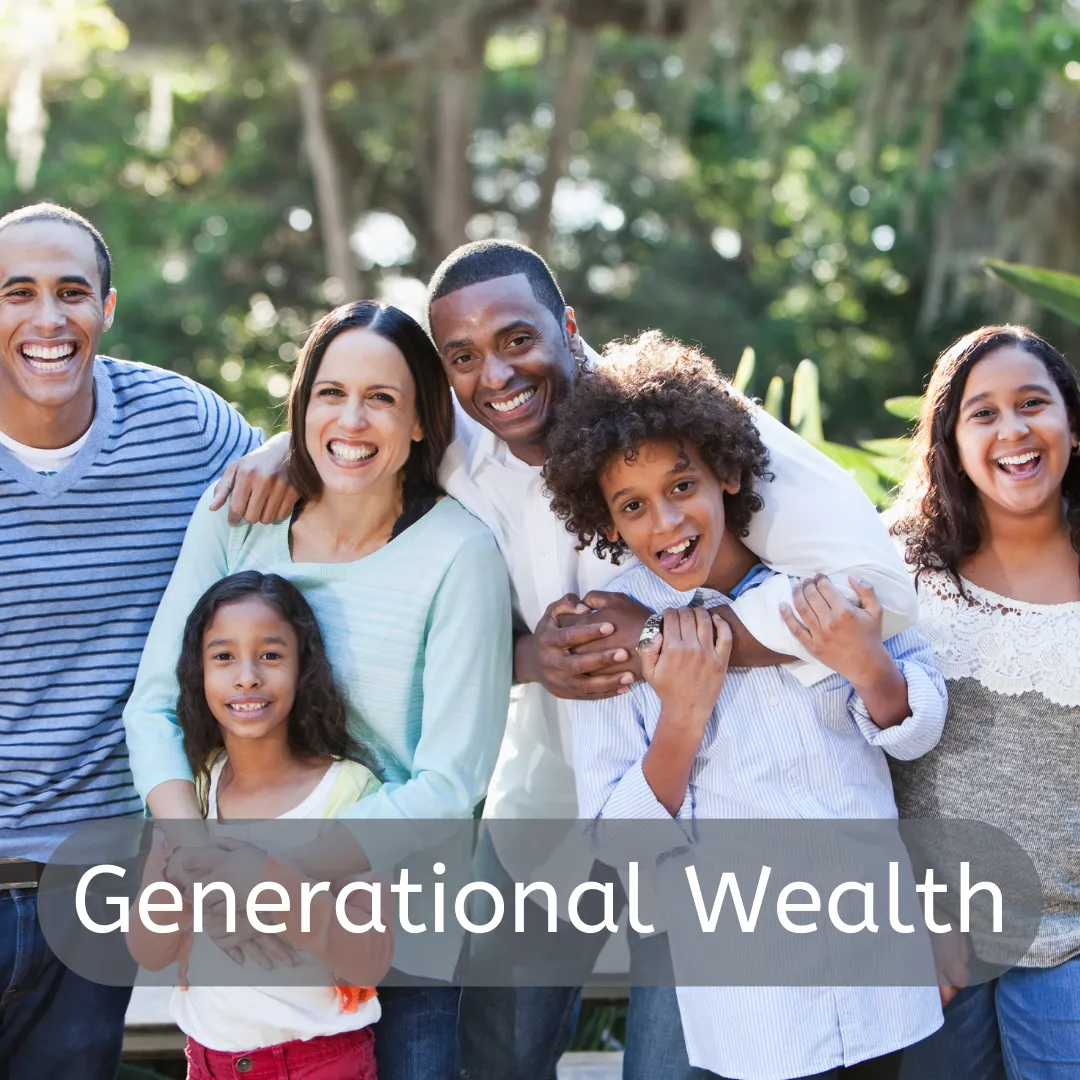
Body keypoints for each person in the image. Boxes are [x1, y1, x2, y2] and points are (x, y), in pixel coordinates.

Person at [426, 239, 923, 1080]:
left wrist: (667, 644)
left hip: (696, 817)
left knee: (672, 1066)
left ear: (569, 328)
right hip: (547, 801)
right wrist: (528, 657)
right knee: (494, 1057)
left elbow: (879, 588)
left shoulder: (678, 424)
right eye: (463, 357)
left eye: (518, 339)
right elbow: (346, 448)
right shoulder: (454, 454)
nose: (497, 375)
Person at [123, 299, 513, 1080]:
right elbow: (154, 705)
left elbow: (451, 780)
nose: (353, 420)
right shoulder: (238, 518)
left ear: (418, 423)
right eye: (331, 393)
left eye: (382, 398)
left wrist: (273, 874)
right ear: (302, 407)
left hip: (393, 936)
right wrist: (203, 862)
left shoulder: (459, 553)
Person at [543, 331, 947, 1080]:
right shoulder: (611, 628)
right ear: (606, 524)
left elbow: (916, 728)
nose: (665, 522)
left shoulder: (821, 582)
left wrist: (864, 665)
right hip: (755, 997)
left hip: (875, 969)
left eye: (681, 486)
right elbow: (616, 840)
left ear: (725, 471)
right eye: (632, 505)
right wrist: (682, 718)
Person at [0, 202, 296, 1079]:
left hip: (91, 891)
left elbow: (320, 490)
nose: (49, 320)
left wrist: (285, 450)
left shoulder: (181, 426)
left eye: (72, 294)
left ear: (108, 309)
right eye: (19, 293)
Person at [887, 325, 1080, 1080]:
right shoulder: (897, 564)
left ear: (1072, 424)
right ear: (951, 441)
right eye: (984, 413)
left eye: (1034, 404)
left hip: (1070, 943)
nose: (1014, 430)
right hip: (934, 939)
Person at [128, 571, 393, 1080]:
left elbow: (369, 959)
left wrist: (267, 881)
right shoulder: (194, 792)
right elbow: (148, 949)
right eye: (223, 656)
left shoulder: (350, 791)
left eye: (270, 654)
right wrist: (178, 884)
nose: (246, 676)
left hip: (322, 1062)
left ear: (303, 668)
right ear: (198, 674)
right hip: (209, 1061)